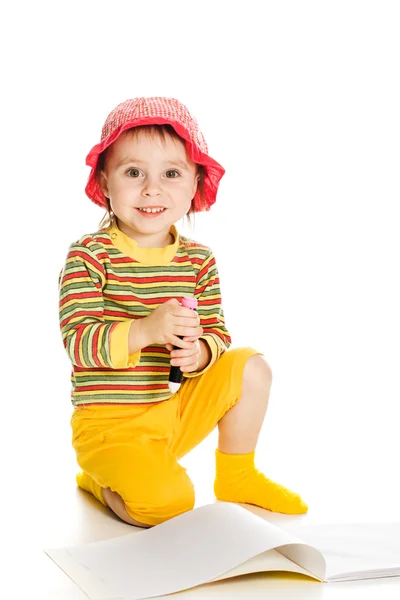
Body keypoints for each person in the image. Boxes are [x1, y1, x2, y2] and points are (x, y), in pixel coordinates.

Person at [58, 97, 308, 528]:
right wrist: (144, 330)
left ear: (194, 184)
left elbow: (217, 333)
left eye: (171, 174)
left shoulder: (198, 261)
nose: (152, 189)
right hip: (108, 427)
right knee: (168, 507)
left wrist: (201, 355)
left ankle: (237, 474)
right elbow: (78, 341)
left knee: (251, 366)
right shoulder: (90, 255)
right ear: (105, 182)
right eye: (133, 173)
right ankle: (99, 480)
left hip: (169, 415)